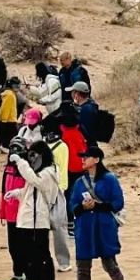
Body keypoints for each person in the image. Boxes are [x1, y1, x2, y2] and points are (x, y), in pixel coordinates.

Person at [67, 146, 132, 280]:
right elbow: (72, 205)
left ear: (96, 159)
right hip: (85, 226)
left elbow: (118, 202)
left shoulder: (109, 179)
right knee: (82, 266)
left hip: (103, 225)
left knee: (109, 263)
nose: (83, 160)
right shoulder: (79, 182)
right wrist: (82, 207)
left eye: (86, 157)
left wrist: (98, 206)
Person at [11, 140, 61, 280]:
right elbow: (30, 189)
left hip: (39, 220)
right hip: (28, 219)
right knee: (30, 256)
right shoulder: (39, 171)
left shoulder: (49, 172)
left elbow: (37, 182)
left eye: (34, 155)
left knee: (42, 256)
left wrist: (21, 162)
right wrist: (16, 193)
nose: (31, 159)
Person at [0, 137, 30, 280]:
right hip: (10, 214)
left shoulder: (26, 169)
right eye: (12, 148)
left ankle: (28, 276)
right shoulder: (8, 169)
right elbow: (3, 191)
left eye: (18, 149)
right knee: (13, 247)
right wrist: (2, 211)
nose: (14, 152)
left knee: (25, 246)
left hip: (23, 214)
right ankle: (17, 275)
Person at [59, 102, 90, 238]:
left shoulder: (61, 131)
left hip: (67, 168)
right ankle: (80, 222)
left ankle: (70, 223)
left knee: (68, 196)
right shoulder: (80, 129)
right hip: (82, 166)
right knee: (82, 194)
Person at [44, 128, 72, 272]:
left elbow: (59, 169)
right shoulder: (46, 144)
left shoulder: (61, 147)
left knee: (59, 226)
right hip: (45, 189)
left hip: (58, 189)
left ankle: (64, 261)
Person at [0, 77, 21, 151]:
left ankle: (5, 146)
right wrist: (4, 120)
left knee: (9, 135)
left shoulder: (9, 93)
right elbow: (5, 108)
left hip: (9, 118)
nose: (18, 87)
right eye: (17, 86)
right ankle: (5, 147)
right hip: (8, 119)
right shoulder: (10, 94)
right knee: (11, 136)